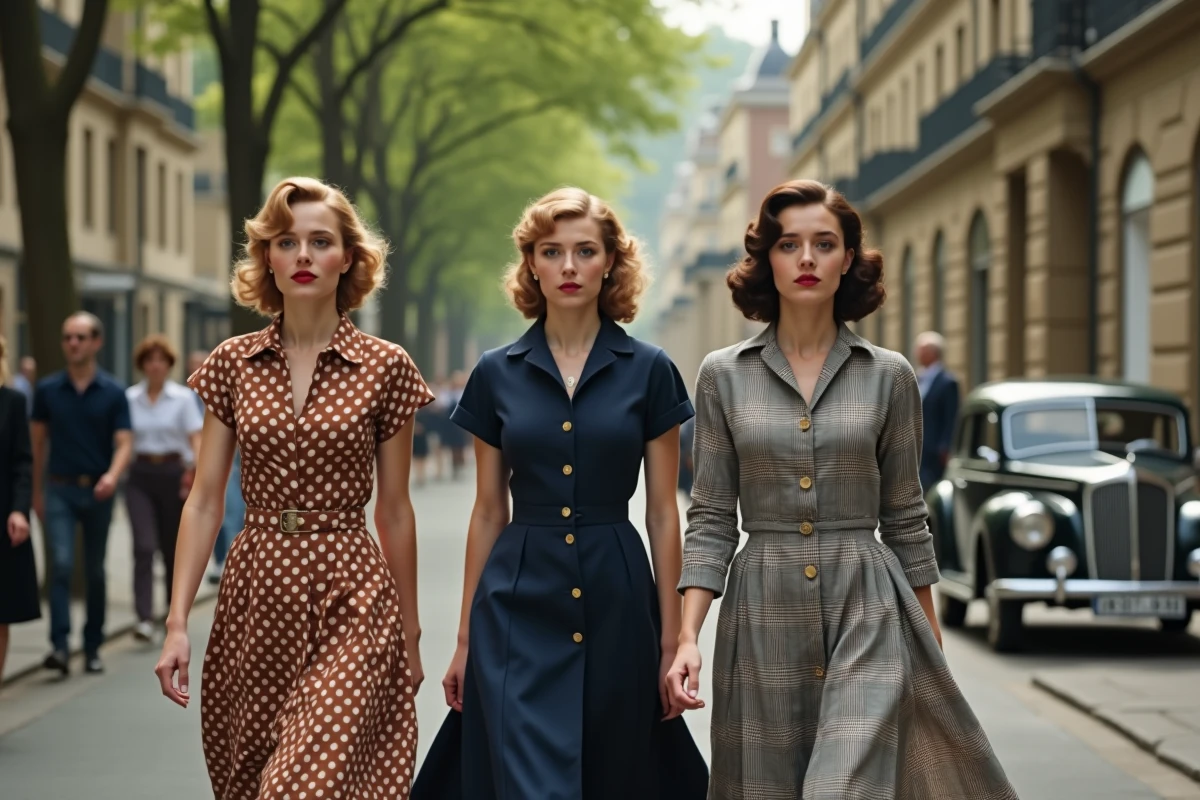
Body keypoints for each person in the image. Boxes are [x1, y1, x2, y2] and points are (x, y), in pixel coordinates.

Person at [666, 180, 1017, 799]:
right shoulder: (722, 375)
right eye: (789, 244)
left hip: (870, 603)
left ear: (848, 258)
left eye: (824, 244)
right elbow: (713, 515)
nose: (806, 259)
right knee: (767, 786)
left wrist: (930, 640)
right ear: (766, 259)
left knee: (846, 788)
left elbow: (907, 516)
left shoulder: (891, 375)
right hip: (761, 607)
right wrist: (688, 636)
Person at [413, 187, 708, 799]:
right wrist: (466, 640)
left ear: (610, 264)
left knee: (615, 771)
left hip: (619, 594)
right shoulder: (496, 372)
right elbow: (489, 509)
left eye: (585, 251)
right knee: (524, 778)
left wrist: (674, 638)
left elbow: (661, 513)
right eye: (552, 251)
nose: (569, 267)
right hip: (518, 597)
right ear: (532, 265)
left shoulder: (650, 369)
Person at [153, 177, 434, 799]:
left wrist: (409, 634)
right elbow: (203, 501)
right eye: (286, 242)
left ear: (348, 259)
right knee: (252, 775)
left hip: (352, 590)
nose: (302, 255)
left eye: (320, 241)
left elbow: (394, 509)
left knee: (302, 784)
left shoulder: (387, 367)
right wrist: (177, 623)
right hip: (257, 589)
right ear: (268, 259)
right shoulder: (231, 362)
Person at [32, 312, 133, 676]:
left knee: (94, 570)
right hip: (58, 488)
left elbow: (124, 443)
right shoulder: (46, 390)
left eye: (80, 337)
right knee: (59, 565)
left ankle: (92, 647)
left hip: (98, 491)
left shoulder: (113, 391)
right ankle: (59, 646)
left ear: (96, 343)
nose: (72, 343)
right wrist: (35, 494)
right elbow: (37, 443)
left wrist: (112, 475)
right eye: (67, 337)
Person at [125, 335, 204, 642]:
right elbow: (123, 439)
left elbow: (196, 439)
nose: (155, 366)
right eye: (149, 360)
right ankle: (143, 617)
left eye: (161, 360)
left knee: (172, 548)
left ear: (168, 365)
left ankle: (173, 614)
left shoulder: (182, 398)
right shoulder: (130, 398)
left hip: (173, 474)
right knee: (143, 546)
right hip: (141, 475)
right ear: (142, 365)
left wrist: (195, 475)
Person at [0, 335, 38, 684]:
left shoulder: (11, 401)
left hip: (3, 516)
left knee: (1, 613)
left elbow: (23, 463)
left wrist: (19, 511)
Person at [914, 331, 960, 492]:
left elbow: (951, 417)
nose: (917, 354)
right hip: (917, 450)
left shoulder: (948, 382)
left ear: (933, 353)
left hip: (935, 452)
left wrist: (945, 448)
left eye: (922, 350)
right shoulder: (917, 378)